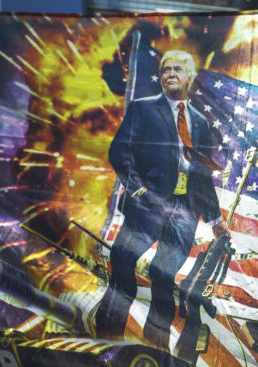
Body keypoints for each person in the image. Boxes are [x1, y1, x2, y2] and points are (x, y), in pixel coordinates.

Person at [95, 50, 228, 347]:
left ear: (189, 77)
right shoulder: (143, 109)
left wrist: (216, 219)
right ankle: (106, 335)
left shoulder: (200, 123)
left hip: (184, 212)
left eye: (177, 69)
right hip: (147, 205)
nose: (170, 74)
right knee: (123, 261)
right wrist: (138, 189)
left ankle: (155, 348)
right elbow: (119, 151)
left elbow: (203, 176)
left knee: (163, 278)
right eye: (166, 69)